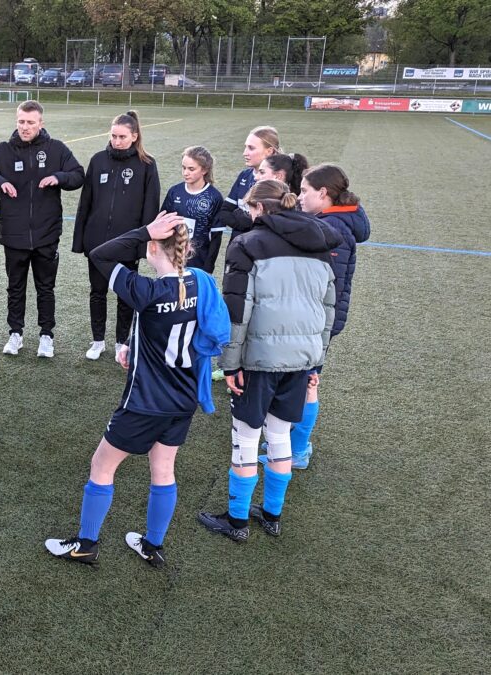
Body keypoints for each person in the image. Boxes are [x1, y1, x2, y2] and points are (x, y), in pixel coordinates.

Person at [45, 211, 229, 568]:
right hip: (184, 399)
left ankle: (86, 545)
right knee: (163, 470)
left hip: (144, 401)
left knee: (102, 465)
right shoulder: (202, 282)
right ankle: (153, 545)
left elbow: (99, 254)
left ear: (152, 248)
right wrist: (134, 343)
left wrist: (143, 229)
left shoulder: (146, 290)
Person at [197, 180, 340, 541]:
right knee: (279, 435)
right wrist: (315, 361)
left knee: (246, 438)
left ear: (259, 208)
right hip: (301, 360)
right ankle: (272, 516)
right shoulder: (320, 245)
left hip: (259, 360)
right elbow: (327, 311)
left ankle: (237, 521)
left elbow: (236, 314)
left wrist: (230, 364)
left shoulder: (246, 245)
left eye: (248, 208)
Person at [257, 164, 369, 470]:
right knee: (301, 380)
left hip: (317, 322)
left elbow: (328, 285)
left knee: (308, 382)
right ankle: (289, 439)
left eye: (305, 191)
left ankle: (299, 449)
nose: (299, 196)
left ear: (323, 193)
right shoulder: (331, 221)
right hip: (313, 320)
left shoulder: (336, 230)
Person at [0, 100, 84, 358]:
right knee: (15, 287)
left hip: (46, 234)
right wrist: (0, 182)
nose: (25, 127)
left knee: (46, 287)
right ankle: (15, 334)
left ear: (40, 123)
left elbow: (78, 174)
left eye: (30, 122)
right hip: (14, 235)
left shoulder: (56, 149)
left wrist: (59, 178)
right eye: (21, 121)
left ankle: (46, 335)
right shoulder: (4, 150)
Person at [71, 110, 160, 363]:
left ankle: (122, 341)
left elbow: (150, 209)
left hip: (127, 245)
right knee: (97, 292)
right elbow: (85, 204)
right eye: (113, 136)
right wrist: (81, 241)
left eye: (122, 136)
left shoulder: (147, 165)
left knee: (125, 295)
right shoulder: (98, 160)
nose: (117, 141)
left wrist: (143, 246)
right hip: (97, 245)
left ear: (134, 136)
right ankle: (97, 340)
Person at [208, 126, 282, 272]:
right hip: (237, 247)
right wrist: (243, 221)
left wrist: (242, 219)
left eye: (251, 148)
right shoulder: (244, 175)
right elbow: (225, 212)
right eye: (245, 147)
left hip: (263, 253)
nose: (245, 153)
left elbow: (273, 223)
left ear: (270, 151)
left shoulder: (279, 185)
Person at [161, 146, 224, 271]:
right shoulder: (175, 192)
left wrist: (209, 265)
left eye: (191, 169)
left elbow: (216, 237)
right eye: (183, 168)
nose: (185, 172)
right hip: (172, 257)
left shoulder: (214, 197)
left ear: (204, 170)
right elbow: (163, 223)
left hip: (198, 261)